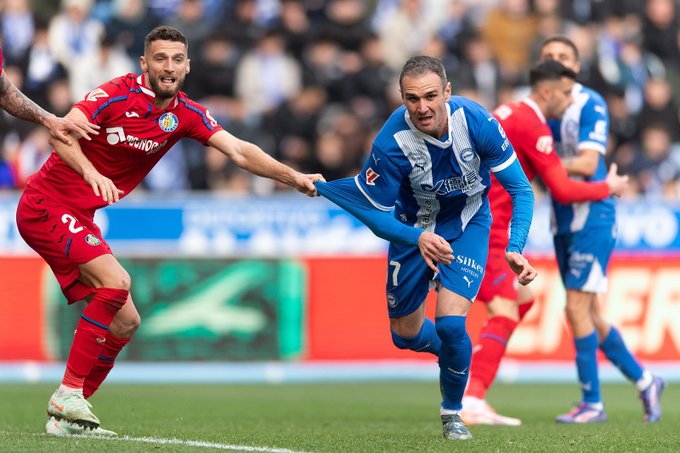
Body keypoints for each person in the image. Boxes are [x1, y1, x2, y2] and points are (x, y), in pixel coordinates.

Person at [15, 25, 323, 438]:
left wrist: (292, 176)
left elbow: (238, 150)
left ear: (188, 66)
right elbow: (62, 132)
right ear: (144, 63)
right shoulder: (114, 94)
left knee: (126, 323)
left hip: (79, 215)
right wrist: (90, 173)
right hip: (44, 204)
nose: (169, 67)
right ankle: (67, 391)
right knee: (117, 282)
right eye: (160, 58)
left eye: (177, 59)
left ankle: (67, 418)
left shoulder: (186, 114)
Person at [316, 55, 537, 441]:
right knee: (404, 334)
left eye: (431, 96)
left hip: (468, 225)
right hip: (411, 231)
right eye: (412, 98)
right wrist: (416, 238)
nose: (422, 107)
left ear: (447, 93)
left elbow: (521, 189)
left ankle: (453, 413)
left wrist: (516, 246)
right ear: (401, 98)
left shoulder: (477, 122)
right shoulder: (390, 142)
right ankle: (453, 356)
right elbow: (375, 216)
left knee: (453, 324)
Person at [461, 60, 630, 426]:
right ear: (547, 91)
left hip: (482, 220)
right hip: (486, 226)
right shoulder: (530, 123)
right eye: (567, 94)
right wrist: (609, 188)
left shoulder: (508, 111)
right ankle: (471, 398)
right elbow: (564, 190)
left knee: (522, 300)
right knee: (504, 311)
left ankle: (471, 384)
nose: (571, 102)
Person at [538, 35, 665, 423]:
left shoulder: (589, 103)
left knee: (576, 307)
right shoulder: (536, 108)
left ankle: (592, 402)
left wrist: (538, 160)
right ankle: (644, 380)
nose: (556, 62)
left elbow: (588, 160)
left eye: (563, 57)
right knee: (589, 311)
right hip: (562, 217)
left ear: (575, 67)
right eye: (548, 58)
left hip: (593, 214)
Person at [0, 47, 98, 146]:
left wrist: (48, 120)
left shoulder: (74, 109)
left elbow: (5, 93)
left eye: (62, 87)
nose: (59, 93)